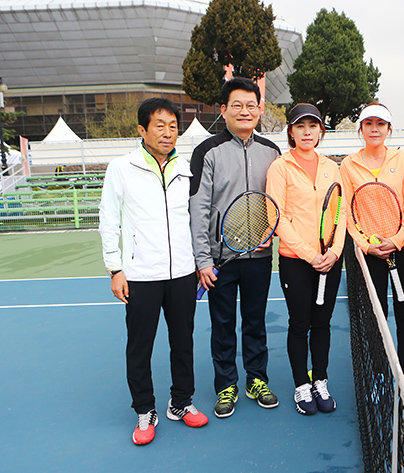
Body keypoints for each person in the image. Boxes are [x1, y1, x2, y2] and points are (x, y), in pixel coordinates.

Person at [99, 98, 208, 445]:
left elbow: (193, 219)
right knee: (139, 347)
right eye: (159, 126)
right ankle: (145, 410)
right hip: (140, 275)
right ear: (141, 130)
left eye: (173, 126)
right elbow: (108, 220)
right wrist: (115, 269)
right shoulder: (121, 168)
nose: (167, 133)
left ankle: (181, 402)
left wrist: (198, 262)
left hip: (182, 274)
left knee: (183, 343)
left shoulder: (186, 168)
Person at [190, 78, 280, 418]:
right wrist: (203, 260)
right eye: (237, 105)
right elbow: (198, 209)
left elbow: (280, 201)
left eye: (251, 105)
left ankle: (256, 379)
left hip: (260, 256)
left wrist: (271, 234)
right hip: (220, 260)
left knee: (255, 322)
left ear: (260, 110)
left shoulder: (272, 151)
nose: (245, 111)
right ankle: (226, 384)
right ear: (224, 110)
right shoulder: (207, 151)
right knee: (222, 325)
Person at [266, 103, 346, 415]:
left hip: (330, 261)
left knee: (322, 323)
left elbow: (341, 212)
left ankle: (320, 380)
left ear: (321, 131)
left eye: (313, 126)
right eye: (300, 126)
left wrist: (334, 252)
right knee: (300, 323)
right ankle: (302, 384)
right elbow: (276, 217)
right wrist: (310, 254)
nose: (307, 132)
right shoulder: (280, 167)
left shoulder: (331, 167)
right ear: (291, 132)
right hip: (296, 261)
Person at [339, 103, 404, 382]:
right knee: (376, 317)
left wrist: (397, 240)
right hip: (370, 253)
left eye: (380, 124)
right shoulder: (348, 165)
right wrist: (366, 245)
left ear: (389, 129)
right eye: (369, 123)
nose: (374, 129)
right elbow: (346, 212)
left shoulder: (403, 159)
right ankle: (379, 373)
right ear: (361, 128)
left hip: (402, 250)